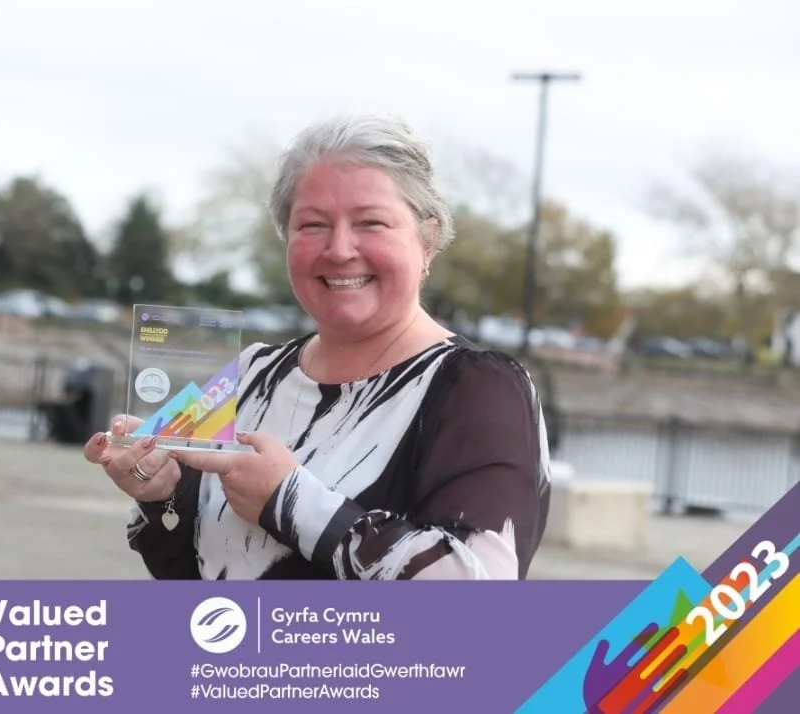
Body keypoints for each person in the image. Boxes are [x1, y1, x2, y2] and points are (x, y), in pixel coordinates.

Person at [83, 113, 551, 580]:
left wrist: (289, 501)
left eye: (371, 223)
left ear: (427, 241)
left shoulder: (480, 390)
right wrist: (161, 491)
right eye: (312, 225)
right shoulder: (251, 374)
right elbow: (189, 573)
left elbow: (481, 596)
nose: (340, 249)